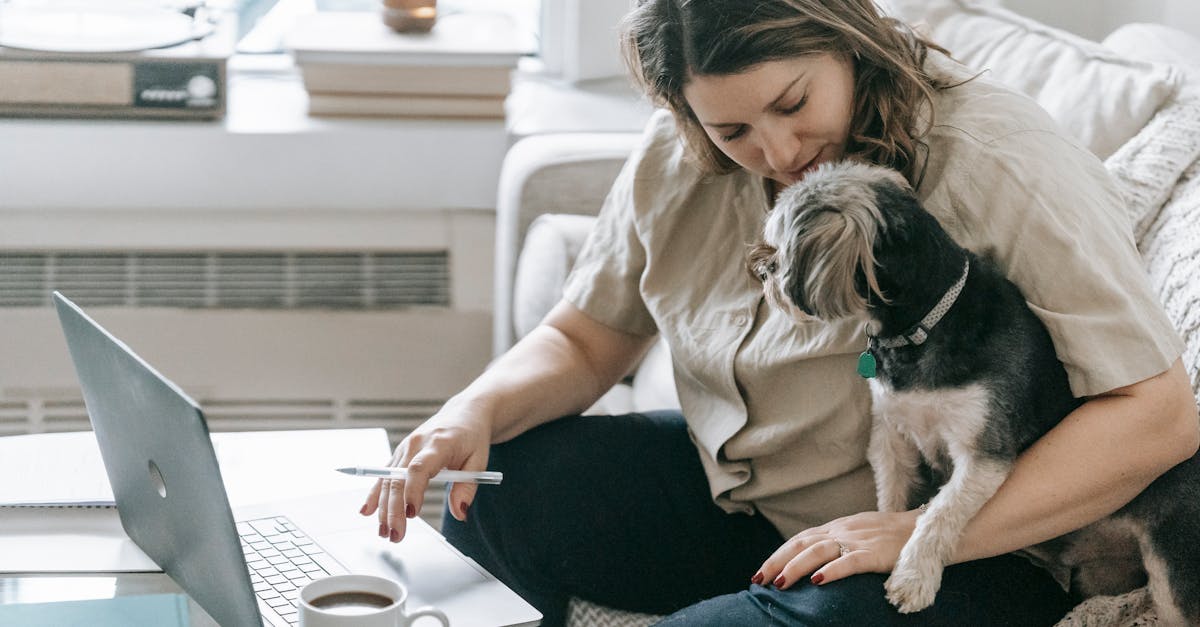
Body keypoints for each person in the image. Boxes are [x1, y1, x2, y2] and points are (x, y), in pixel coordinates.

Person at [359, 0, 1199, 624]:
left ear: (847, 39)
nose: (779, 153)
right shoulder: (678, 155)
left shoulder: (995, 159)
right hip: (738, 498)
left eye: (794, 105)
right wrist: (469, 410)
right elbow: (585, 340)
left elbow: (1157, 416)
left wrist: (908, 532)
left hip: (969, 544)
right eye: (732, 129)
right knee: (491, 492)